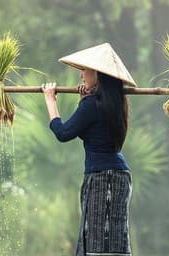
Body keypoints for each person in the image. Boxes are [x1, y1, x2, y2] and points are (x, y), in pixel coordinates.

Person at [42, 43, 137, 256]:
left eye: (85, 70)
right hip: (120, 176)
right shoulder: (117, 104)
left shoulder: (92, 106)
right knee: (113, 237)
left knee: (97, 239)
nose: (82, 76)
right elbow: (92, 131)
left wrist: (50, 99)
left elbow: (63, 132)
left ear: (99, 74)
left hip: (103, 177)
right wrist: (83, 101)